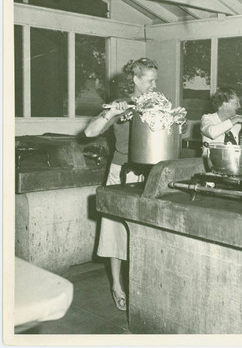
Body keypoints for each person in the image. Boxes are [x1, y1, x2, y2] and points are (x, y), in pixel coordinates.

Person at [84, 57, 158, 311]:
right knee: (116, 231)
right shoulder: (121, 105)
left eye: (154, 80)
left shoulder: (155, 104)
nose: (154, 84)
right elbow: (89, 133)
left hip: (148, 174)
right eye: (150, 80)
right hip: (121, 173)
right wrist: (111, 112)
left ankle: (142, 285)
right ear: (135, 80)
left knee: (143, 232)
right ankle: (117, 285)